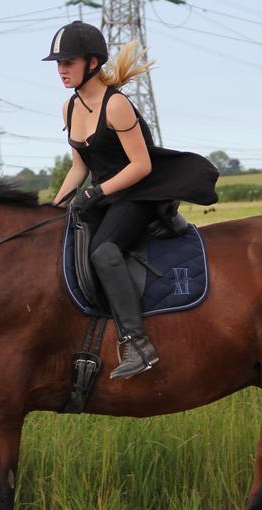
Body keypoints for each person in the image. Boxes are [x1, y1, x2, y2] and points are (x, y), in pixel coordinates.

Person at [46, 20, 219, 380]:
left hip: (137, 195)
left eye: (69, 62)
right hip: (103, 198)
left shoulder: (117, 106)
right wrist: (56, 204)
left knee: (104, 252)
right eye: (59, 63)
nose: (61, 69)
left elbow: (141, 166)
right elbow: (80, 166)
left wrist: (97, 192)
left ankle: (137, 343)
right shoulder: (70, 108)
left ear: (92, 63)